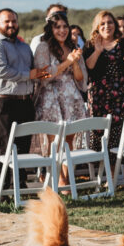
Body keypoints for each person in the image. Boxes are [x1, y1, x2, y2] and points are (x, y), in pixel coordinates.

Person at [0, 8, 49, 185]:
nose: (11, 24)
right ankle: (2, 190)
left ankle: (19, 186)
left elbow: (34, 71)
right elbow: (2, 71)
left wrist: (44, 73)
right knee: (3, 146)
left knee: (23, 145)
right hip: (4, 102)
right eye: (7, 21)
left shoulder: (24, 47)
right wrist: (30, 75)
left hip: (25, 102)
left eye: (14, 21)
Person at [32, 11, 88, 186]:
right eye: (58, 27)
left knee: (69, 140)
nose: (62, 30)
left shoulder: (72, 47)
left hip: (71, 97)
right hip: (51, 98)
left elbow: (79, 78)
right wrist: (67, 62)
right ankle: (59, 180)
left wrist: (75, 61)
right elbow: (45, 74)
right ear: (51, 28)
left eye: (65, 26)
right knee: (54, 142)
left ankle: (67, 177)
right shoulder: (43, 47)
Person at [84, 10, 124, 159]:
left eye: (109, 22)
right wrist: (97, 52)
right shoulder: (90, 44)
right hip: (100, 97)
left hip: (123, 95)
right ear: (97, 26)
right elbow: (88, 69)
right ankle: (107, 175)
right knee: (102, 132)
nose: (106, 26)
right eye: (102, 23)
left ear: (115, 25)